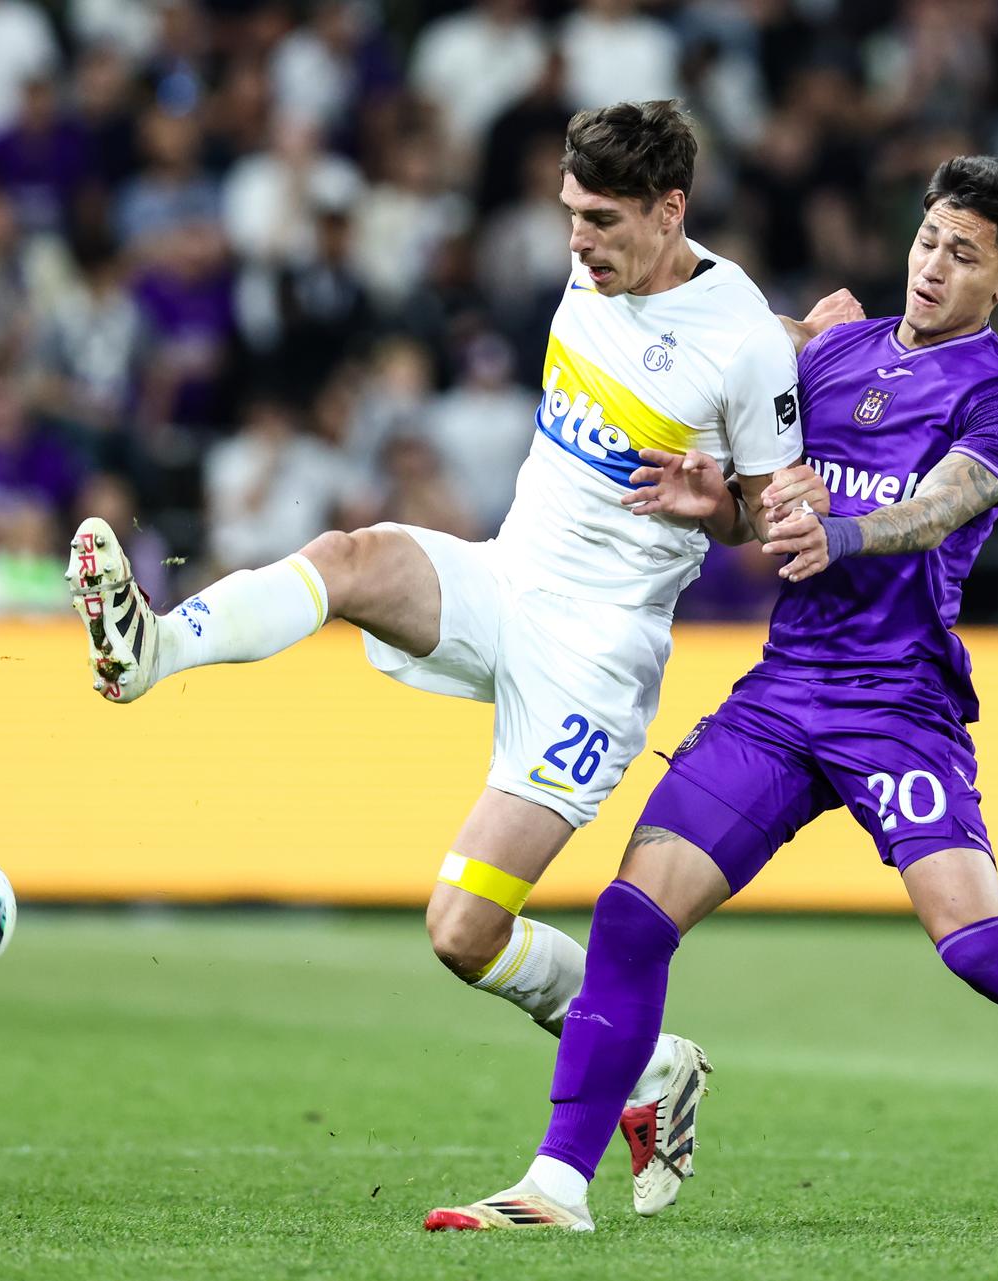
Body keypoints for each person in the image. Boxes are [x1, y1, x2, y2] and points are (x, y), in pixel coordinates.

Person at [425, 155, 998, 1238]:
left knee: (980, 947)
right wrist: (719, 507)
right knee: (632, 915)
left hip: (897, 703)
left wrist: (833, 529)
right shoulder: (833, 354)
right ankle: (557, 1186)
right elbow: (758, 491)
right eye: (930, 239)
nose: (935, 265)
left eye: (965, 254)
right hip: (786, 692)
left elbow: (937, 508)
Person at [66, 100, 845, 1215]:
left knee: (461, 927)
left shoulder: (744, 346)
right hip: (504, 577)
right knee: (354, 555)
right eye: (571, 214)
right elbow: (694, 320)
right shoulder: (614, 275)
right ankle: (153, 651)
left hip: (595, 653)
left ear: (670, 209)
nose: (577, 242)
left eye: (605, 220)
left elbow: (773, 521)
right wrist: (792, 335)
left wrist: (716, 501)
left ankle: (656, 1060)